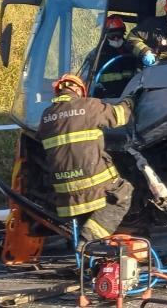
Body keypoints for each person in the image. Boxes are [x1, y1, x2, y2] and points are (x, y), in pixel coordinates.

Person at [36, 74, 135, 251]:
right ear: (77, 90)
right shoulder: (89, 106)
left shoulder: (46, 116)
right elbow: (121, 116)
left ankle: (89, 258)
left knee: (87, 213)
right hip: (94, 183)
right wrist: (131, 99)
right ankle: (87, 242)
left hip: (64, 192)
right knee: (123, 194)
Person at [88, 15, 135, 97]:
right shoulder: (97, 54)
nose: (116, 39)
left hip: (130, 95)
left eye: (119, 34)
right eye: (112, 36)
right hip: (105, 97)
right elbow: (87, 78)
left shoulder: (132, 50)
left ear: (123, 34)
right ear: (105, 36)